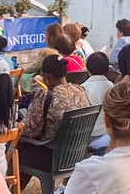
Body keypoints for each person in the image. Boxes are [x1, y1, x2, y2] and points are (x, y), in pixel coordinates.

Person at [17, 55, 90, 186]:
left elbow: (30, 130)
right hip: (76, 154)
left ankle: (12, 192)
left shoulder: (45, 95)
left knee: (18, 146)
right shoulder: (80, 90)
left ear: (47, 76)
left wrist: (18, 125)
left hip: (51, 157)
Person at [82, 52, 114, 150]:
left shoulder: (83, 88)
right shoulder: (111, 86)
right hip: (107, 135)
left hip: (85, 138)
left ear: (88, 69)